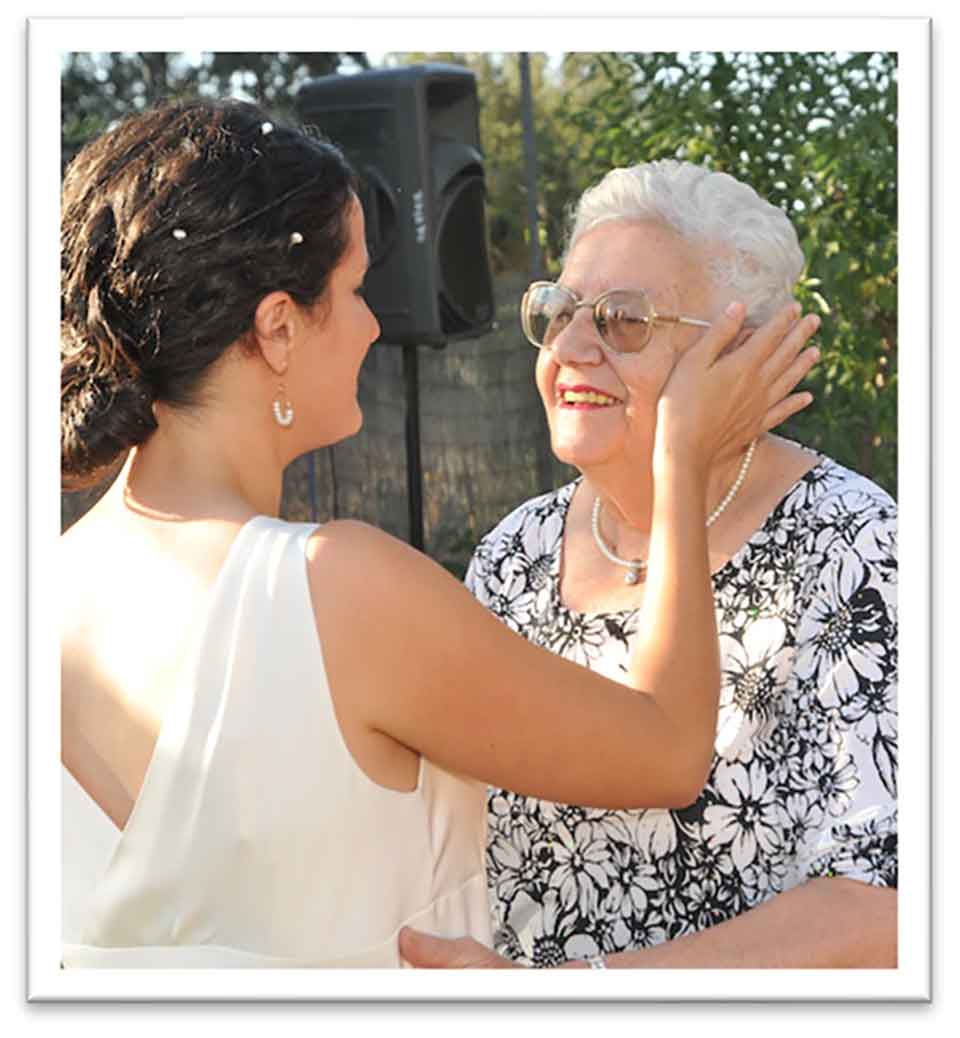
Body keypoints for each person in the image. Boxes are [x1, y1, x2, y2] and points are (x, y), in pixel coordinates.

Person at [399, 159, 897, 971]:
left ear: (743, 351)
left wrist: (578, 1003)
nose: (572, 347)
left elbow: (896, 908)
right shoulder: (513, 556)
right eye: (558, 312)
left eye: (624, 320)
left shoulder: (859, 550)